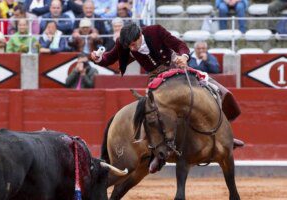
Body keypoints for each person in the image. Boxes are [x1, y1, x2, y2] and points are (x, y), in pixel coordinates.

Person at [90, 23, 244, 173]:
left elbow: (180, 45)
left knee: (212, 88)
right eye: (128, 46)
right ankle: (156, 154)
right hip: (156, 79)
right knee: (151, 112)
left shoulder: (155, 31)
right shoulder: (123, 42)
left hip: (175, 68)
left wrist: (183, 57)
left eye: (133, 44)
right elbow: (109, 58)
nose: (131, 48)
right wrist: (98, 59)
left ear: (139, 35)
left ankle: (225, 135)